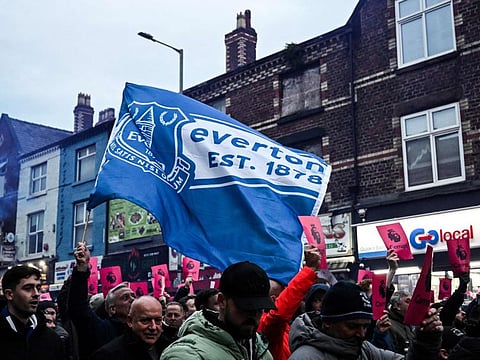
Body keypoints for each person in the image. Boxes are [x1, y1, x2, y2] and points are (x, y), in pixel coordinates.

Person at [289, 281, 443, 360]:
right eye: (352, 326)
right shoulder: (306, 357)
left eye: (365, 326)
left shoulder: (365, 350)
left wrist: (426, 339)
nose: (361, 334)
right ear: (328, 321)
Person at [160, 261, 275, 359]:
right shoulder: (186, 354)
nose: (253, 315)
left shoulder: (259, 349)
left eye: (259, 308)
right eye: (246, 307)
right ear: (222, 301)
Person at [68, 242, 135, 359]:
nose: (132, 300)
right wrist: (82, 268)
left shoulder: (142, 331)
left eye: (133, 296)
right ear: (112, 309)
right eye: (125, 298)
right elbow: (78, 307)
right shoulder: (102, 330)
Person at [257, 245, 322, 360]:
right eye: (283, 293)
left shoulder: (291, 325)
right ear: (273, 300)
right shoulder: (265, 326)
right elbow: (279, 314)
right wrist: (308, 270)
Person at [0, 265, 65, 360]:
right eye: (28, 288)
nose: (36, 294)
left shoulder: (51, 339)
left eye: (38, 288)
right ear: (10, 294)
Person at [91, 296, 167, 360]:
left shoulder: (170, 346)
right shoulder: (108, 355)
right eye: (145, 320)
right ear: (130, 321)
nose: (153, 327)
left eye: (158, 320)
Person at [386, 289, 414, 354]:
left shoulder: (409, 323)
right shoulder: (388, 325)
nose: (412, 305)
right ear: (397, 306)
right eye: (408, 302)